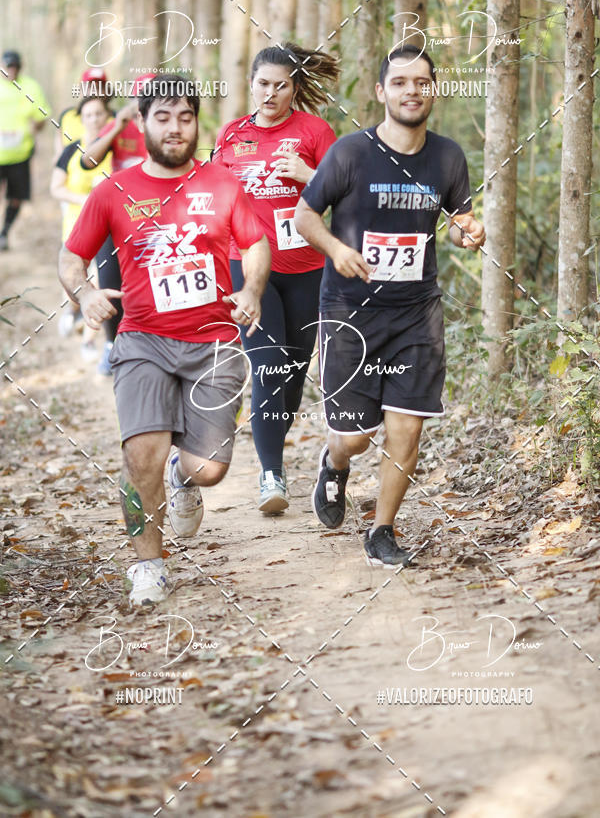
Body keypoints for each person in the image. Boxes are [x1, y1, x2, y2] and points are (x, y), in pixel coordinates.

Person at [58, 74, 270, 605]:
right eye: (163, 117)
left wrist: (254, 289)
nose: (175, 128)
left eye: (185, 117)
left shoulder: (222, 183)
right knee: (140, 456)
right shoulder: (113, 190)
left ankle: (185, 475)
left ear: (196, 122)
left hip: (215, 341)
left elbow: (258, 242)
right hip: (143, 340)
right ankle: (148, 564)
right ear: (142, 122)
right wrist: (84, 295)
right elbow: (70, 257)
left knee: (210, 468)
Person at [295, 45, 485, 567]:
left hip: (415, 312)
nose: (411, 91)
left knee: (407, 425)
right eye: (400, 82)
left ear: (433, 91)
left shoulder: (447, 157)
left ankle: (382, 530)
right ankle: (334, 463)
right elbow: (304, 216)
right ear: (381, 92)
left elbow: (462, 218)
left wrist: (471, 229)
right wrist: (336, 249)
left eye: (421, 82)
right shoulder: (351, 153)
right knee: (354, 437)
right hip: (349, 311)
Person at [213, 43, 338, 513]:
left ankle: (267, 442)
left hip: (307, 269)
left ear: (294, 88)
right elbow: (212, 200)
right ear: (251, 84)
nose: (270, 93)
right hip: (247, 272)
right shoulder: (231, 135)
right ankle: (272, 475)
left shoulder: (315, 131)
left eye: (281, 85)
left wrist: (308, 173)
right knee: (268, 367)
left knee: (292, 374)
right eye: (262, 84)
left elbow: (342, 195)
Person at [80, 73, 155, 375]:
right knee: (111, 283)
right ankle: (111, 345)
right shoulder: (119, 125)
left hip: (154, 218)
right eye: (139, 98)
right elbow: (88, 160)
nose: (143, 105)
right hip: (116, 216)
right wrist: (116, 129)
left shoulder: (164, 126)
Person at [50, 95, 113, 348]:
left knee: (101, 280)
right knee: (77, 278)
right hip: (77, 227)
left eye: (99, 114)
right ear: (81, 120)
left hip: (110, 231)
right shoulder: (71, 150)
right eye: (89, 115)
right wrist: (87, 199)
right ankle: (71, 310)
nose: (95, 119)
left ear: (107, 117)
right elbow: (55, 187)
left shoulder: (116, 149)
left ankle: (91, 340)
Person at [0, 50, 50, 250]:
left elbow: (42, 116)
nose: (11, 71)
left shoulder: (30, 87)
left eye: (15, 67)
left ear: (20, 67)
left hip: (20, 153)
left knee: (17, 197)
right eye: (7, 67)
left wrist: (36, 126)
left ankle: (4, 233)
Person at [55, 67, 111, 159]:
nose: (94, 92)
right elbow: (59, 155)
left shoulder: (117, 120)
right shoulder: (67, 116)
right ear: (80, 89)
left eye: (98, 87)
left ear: (106, 91)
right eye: (89, 87)